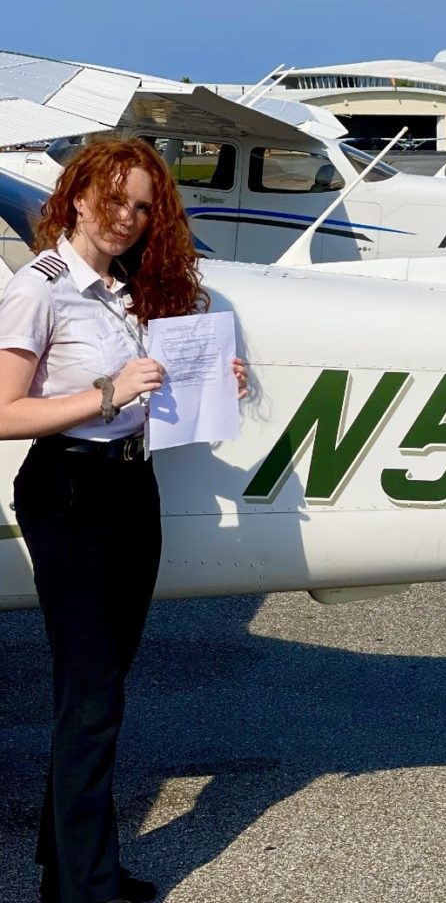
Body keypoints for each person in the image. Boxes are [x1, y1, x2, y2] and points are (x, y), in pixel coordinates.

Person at [0, 138, 248, 903]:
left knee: (101, 685)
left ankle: (67, 869)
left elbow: (156, 393)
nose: (128, 218)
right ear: (77, 197)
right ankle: (88, 888)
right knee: (92, 694)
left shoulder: (128, 288)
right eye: (114, 200)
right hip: (70, 491)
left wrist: (216, 380)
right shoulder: (41, 288)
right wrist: (106, 393)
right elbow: (4, 413)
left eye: (142, 207)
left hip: (132, 488)